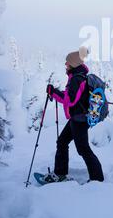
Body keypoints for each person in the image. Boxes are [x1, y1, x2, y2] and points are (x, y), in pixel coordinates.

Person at [43, 47, 104, 183]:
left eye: (67, 63)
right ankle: (60, 173)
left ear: (73, 64)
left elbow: (70, 101)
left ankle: (97, 178)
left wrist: (54, 92)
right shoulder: (77, 77)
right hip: (76, 118)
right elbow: (70, 98)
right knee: (62, 142)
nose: (65, 64)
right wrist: (55, 92)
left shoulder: (77, 79)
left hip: (79, 120)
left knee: (83, 149)